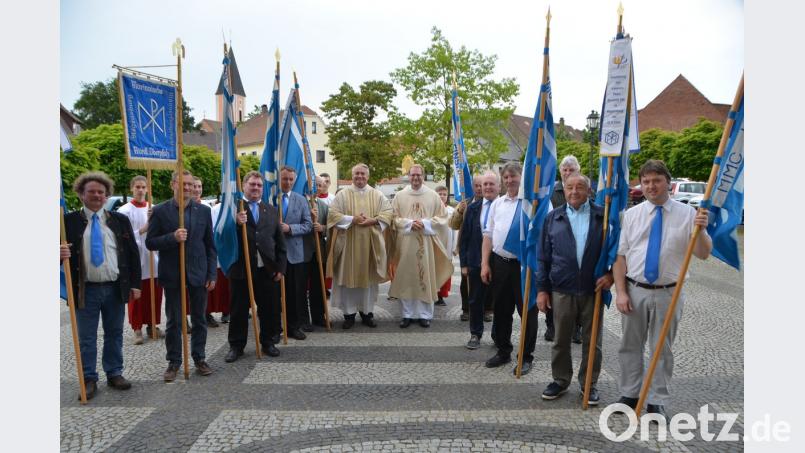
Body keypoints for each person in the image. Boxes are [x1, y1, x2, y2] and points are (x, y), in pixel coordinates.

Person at [613, 160, 711, 421]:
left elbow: (703, 254)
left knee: (661, 347)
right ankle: (630, 393)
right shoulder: (631, 215)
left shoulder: (689, 214)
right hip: (635, 290)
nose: (651, 186)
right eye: (646, 181)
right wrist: (621, 292)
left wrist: (700, 230)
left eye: (656, 180)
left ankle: (657, 400)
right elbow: (621, 256)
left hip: (670, 291)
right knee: (629, 345)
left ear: (668, 182)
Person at [60, 171, 141, 399]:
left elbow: (132, 255)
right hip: (85, 290)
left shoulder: (119, 221)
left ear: (107, 196)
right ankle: (88, 378)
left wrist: (136, 284)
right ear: (81, 194)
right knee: (86, 337)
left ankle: (114, 372)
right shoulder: (67, 222)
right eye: (91, 192)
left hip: (115, 287)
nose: (97, 195)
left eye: (101, 192)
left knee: (114, 333)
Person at [536, 173, 613, 406]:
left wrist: (611, 275)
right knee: (560, 339)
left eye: (580, 187)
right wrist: (542, 290)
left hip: (593, 289)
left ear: (589, 191)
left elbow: (617, 250)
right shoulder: (553, 218)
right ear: (564, 190)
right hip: (562, 288)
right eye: (570, 187)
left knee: (593, 342)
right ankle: (560, 380)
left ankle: (589, 382)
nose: (574, 191)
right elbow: (543, 258)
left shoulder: (604, 217)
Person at [147, 169, 217, 381]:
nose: (186, 187)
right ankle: (174, 361)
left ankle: (199, 358)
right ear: (173, 185)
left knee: (199, 319)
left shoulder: (203, 211)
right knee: (174, 321)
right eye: (182, 183)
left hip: (198, 272)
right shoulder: (160, 211)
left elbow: (210, 246)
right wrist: (172, 237)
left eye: (189, 184)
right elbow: (150, 242)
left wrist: (212, 273)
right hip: (172, 273)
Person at [481, 162, 539, 375]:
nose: (509, 181)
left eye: (513, 176)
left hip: (524, 266)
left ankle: (526, 357)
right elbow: (488, 234)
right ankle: (503, 350)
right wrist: (485, 263)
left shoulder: (532, 203)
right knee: (502, 311)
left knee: (527, 312)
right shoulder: (498, 203)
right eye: (505, 178)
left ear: (521, 177)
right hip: (500, 264)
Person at [224, 171, 287, 362]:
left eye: (259, 185)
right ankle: (236, 345)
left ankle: (268, 342)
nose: (256, 188)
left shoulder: (271, 210)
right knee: (238, 310)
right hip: (241, 269)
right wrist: (234, 223)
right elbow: (222, 237)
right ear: (244, 186)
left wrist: (280, 268)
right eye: (252, 184)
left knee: (269, 308)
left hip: (267, 269)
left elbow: (279, 243)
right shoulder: (233, 209)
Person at [326, 163, 393, 329]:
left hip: (370, 246)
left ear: (368, 176)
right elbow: (332, 214)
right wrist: (351, 219)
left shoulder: (377, 195)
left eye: (363, 174)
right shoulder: (342, 195)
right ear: (352, 175)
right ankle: (348, 315)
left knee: (368, 281)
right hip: (348, 245)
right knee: (348, 280)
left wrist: (374, 220)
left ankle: (367, 313)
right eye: (357, 174)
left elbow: (388, 212)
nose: (360, 177)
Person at [389, 165, 453, 328]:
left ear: (423, 176)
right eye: (413, 175)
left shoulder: (432, 196)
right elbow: (393, 218)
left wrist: (424, 223)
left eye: (419, 175)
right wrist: (410, 223)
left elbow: (443, 217)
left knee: (425, 277)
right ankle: (407, 314)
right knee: (406, 278)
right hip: (406, 245)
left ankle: (425, 315)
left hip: (426, 244)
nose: (415, 178)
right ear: (408, 176)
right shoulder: (399, 196)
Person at [117, 176, 162, 345]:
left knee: (154, 294)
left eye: (144, 187)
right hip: (135, 258)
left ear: (148, 189)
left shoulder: (154, 208)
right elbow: (122, 237)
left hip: (153, 257)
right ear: (132, 189)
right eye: (137, 187)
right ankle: (137, 328)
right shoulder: (124, 211)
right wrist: (142, 230)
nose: (141, 190)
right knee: (136, 294)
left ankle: (152, 325)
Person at [546, 155, 583, 344]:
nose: (567, 173)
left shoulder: (583, 190)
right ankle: (551, 325)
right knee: (554, 286)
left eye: (571, 170)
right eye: (565, 170)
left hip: (578, 244)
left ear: (577, 170)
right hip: (556, 244)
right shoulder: (552, 191)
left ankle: (577, 327)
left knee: (576, 288)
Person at [459, 171, 499, 349]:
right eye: (485, 185)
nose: (488, 187)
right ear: (480, 188)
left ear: (499, 187)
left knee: (500, 301)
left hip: (500, 263)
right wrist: (464, 264)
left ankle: (499, 335)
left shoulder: (504, 205)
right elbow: (465, 237)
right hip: (475, 261)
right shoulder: (473, 208)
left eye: (491, 184)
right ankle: (475, 333)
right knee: (475, 299)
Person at [278, 166, 313, 340]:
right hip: (274, 254)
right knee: (274, 294)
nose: (288, 182)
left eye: (291, 179)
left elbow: (308, 225)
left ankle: (294, 326)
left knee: (295, 293)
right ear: (279, 178)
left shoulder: (300, 200)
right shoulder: (270, 198)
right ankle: (274, 329)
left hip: (294, 253)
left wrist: (289, 228)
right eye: (285, 179)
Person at [450, 175, 486, 321]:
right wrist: (460, 211)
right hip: (469, 247)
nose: (479, 188)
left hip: (486, 247)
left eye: (481, 185)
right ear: (472, 187)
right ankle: (466, 309)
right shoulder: (465, 203)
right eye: (476, 185)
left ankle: (487, 308)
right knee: (466, 281)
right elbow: (453, 224)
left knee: (486, 279)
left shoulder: (492, 202)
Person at [192, 176, 220, 328]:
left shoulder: (207, 208)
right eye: (194, 186)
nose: (197, 190)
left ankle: (206, 314)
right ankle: (185, 318)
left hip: (203, 253)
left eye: (199, 186)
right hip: (189, 254)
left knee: (204, 286)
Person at [304, 176, 330, 330]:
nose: (318, 188)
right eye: (316, 185)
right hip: (303, 251)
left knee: (318, 287)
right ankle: (303, 320)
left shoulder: (323, 205)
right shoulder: (301, 202)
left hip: (320, 251)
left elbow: (330, 226)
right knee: (301, 288)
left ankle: (319, 317)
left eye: (321, 185)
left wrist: (323, 228)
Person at [434, 185, 456, 306]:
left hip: (447, 244)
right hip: (435, 245)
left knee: (445, 271)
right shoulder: (432, 210)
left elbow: (454, 230)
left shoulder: (452, 211)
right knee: (433, 270)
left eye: (444, 194)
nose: (442, 196)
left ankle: (441, 295)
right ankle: (432, 293)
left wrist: (454, 247)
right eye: (439, 194)